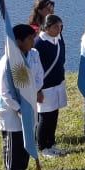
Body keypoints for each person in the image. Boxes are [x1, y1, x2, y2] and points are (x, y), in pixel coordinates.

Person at [0, 24, 44, 170]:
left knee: (26, 139)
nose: (33, 41)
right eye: (29, 39)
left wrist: (32, 92)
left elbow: (39, 76)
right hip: (11, 111)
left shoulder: (32, 55)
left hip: (29, 104)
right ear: (18, 41)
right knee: (13, 142)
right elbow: (5, 92)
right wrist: (19, 107)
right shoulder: (6, 63)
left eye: (33, 38)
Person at [34, 14, 68, 158]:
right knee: (45, 117)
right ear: (46, 27)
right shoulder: (39, 43)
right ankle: (42, 146)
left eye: (60, 26)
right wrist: (38, 90)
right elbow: (34, 68)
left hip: (57, 84)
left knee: (54, 115)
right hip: (45, 87)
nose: (59, 29)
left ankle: (51, 143)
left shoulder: (58, 40)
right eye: (55, 27)